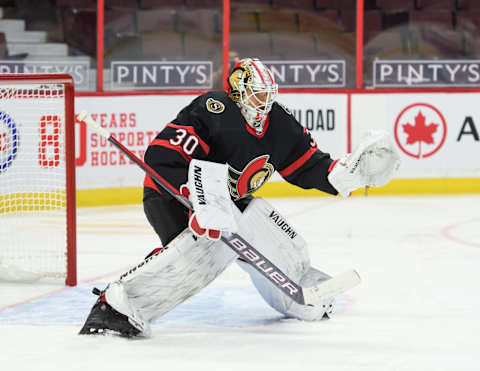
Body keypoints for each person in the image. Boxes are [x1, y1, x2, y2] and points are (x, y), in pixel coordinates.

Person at [79, 58, 400, 337]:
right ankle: (119, 307)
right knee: (207, 250)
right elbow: (164, 156)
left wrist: (345, 174)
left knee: (264, 222)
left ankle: (299, 293)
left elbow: (310, 166)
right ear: (238, 93)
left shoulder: (281, 125)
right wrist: (191, 197)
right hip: (172, 194)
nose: (264, 104)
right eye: (258, 95)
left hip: (228, 202)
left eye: (269, 96)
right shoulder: (213, 109)